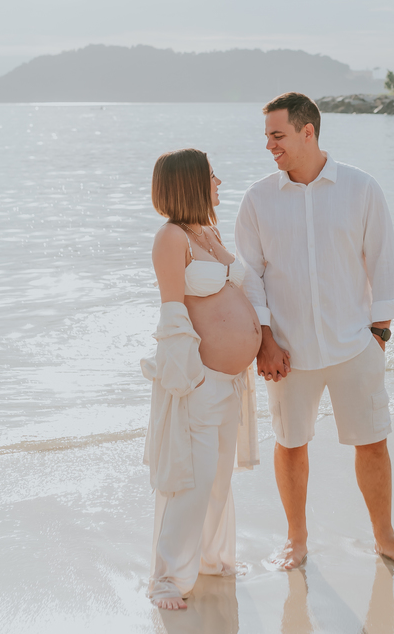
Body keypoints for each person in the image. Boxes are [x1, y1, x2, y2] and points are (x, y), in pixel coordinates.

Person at [235, 92, 394, 571]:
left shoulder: (361, 189)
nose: (269, 146)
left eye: (277, 136)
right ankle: (296, 540)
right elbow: (249, 276)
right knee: (291, 443)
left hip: (353, 346)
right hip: (288, 352)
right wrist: (265, 341)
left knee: (373, 441)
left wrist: (378, 335)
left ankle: (385, 537)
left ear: (308, 132)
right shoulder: (258, 199)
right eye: (266, 137)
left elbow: (383, 261)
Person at [143, 148, 261, 610]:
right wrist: (189, 380)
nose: (220, 182)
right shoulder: (171, 238)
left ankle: (210, 558)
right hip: (198, 380)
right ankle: (167, 578)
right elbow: (172, 312)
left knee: (218, 477)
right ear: (190, 182)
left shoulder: (207, 231)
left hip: (229, 383)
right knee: (193, 479)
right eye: (212, 176)